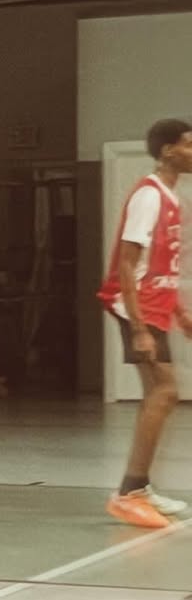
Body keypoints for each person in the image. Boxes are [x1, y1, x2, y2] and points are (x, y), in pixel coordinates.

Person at [97, 118, 192, 528]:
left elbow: (160, 267)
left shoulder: (171, 198)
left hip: (155, 307)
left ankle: (139, 486)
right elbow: (127, 262)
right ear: (168, 150)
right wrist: (138, 328)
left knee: (160, 393)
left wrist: (180, 313)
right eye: (189, 145)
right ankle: (129, 491)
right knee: (165, 391)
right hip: (136, 307)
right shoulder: (149, 196)